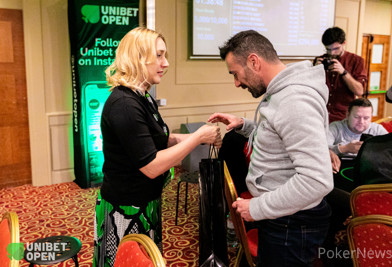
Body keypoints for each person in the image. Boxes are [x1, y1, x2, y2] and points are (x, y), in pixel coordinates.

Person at [93, 27, 221, 267]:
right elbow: (151, 166)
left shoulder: (142, 96)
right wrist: (197, 137)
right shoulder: (124, 104)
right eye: (159, 55)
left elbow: (158, 139)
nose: (166, 63)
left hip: (145, 201)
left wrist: (198, 138)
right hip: (125, 207)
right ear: (138, 58)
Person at [208, 30, 333, 266]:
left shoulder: (294, 101)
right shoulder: (282, 93)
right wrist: (245, 125)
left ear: (254, 61)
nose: (236, 83)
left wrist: (257, 207)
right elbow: (279, 135)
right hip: (283, 217)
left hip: (291, 223)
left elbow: (317, 180)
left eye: (235, 73)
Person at [314, 27, 368, 123]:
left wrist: (344, 73)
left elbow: (360, 91)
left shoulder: (356, 61)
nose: (332, 53)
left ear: (344, 43)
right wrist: (314, 70)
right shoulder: (320, 60)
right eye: (328, 49)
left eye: (336, 49)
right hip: (320, 115)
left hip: (342, 119)